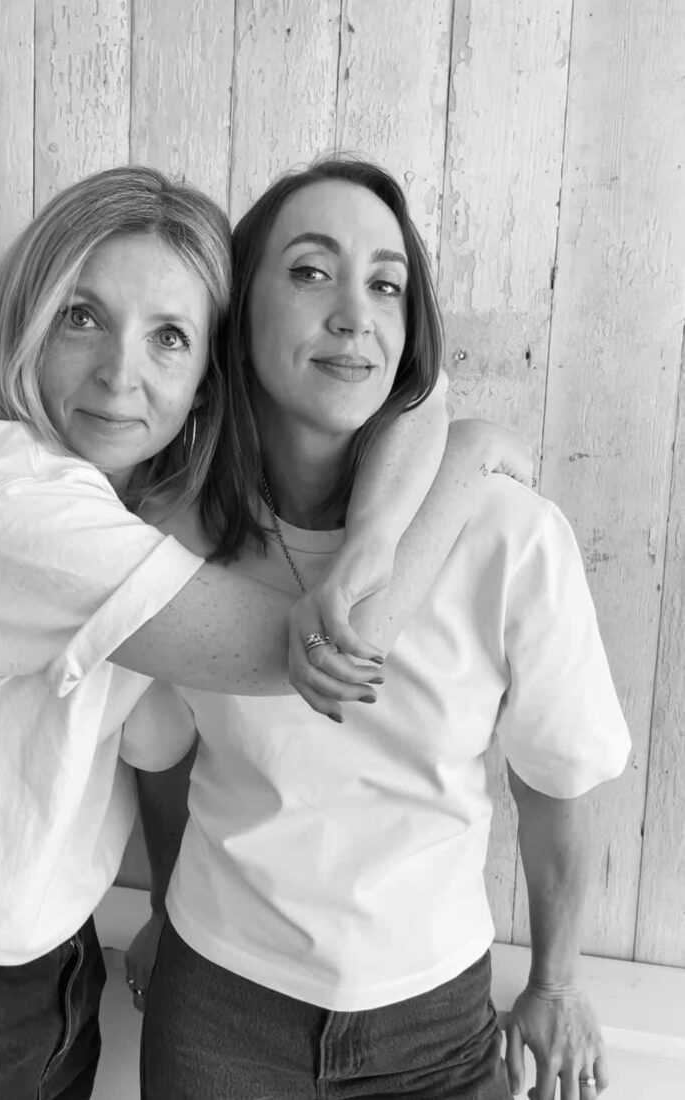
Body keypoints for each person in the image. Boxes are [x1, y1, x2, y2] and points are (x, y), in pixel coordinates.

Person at [0, 165, 525, 1098]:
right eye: (81, 317)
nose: (120, 373)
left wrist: (398, 489)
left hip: (50, 977)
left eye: (169, 337)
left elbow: (420, 390)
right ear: (26, 317)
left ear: (206, 380)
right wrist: (466, 460)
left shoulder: (150, 517)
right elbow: (334, 646)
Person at [123, 157, 632, 1100]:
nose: (355, 313)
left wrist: (558, 979)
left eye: (387, 285)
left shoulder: (508, 534)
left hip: (436, 1020)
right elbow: (159, 752)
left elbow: (558, 773)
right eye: (311, 272)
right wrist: (159, 906)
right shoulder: (174, 532)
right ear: (238, 321)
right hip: (218, 1005)